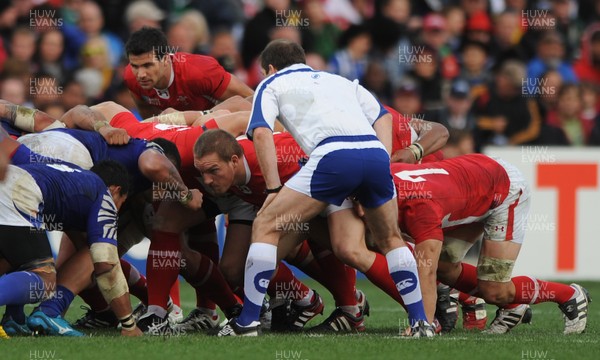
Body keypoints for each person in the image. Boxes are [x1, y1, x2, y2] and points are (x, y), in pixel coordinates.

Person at [217, 39, 432, 337]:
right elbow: (382, 115)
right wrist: (382, 158)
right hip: (373, 154)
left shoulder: (272, 83)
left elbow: (262, 132)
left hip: (332, 156)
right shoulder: (339, 80)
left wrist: (273, 189)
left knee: (266, 223)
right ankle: (421, 321)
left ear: (269, 68)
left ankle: (247, 321)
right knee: (389, 239)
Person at [391, 154, 590, 335]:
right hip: (477, 179)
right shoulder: (384, 176)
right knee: (445, 265)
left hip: (505, 191)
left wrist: (422, 324)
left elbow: (426, 270)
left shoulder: (419, 208)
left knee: (494, 289)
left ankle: (569, 295)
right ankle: (513, 306)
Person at [0, 127, 141, 337]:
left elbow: (13, 149)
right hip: (19, 194)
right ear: (115, 190)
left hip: (9, 185)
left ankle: (14, 318)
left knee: (12, 259)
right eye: (121, 203)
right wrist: (129, 324)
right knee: (46, 281)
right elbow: (105, 265)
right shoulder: (104, 197)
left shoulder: (63, 171)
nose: (117, 211)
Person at [124, 27, 254, 118]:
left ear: (165, 59)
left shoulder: (199, 72)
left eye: (148, 65)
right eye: (135, 66)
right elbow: (149, 117)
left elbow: (253, 100)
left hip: (222, 127)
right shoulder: (130, 77)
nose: (141, 74)